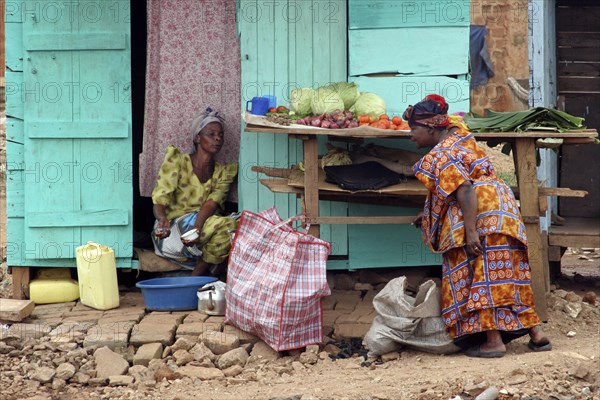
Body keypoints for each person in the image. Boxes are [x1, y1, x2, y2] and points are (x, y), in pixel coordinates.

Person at [405, 94, 552, 358]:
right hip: (503, 209)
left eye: (413, 129)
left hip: (478, 213)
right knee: (508, 272)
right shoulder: (460, 134)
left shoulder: (440, 155)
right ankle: (537, 334)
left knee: (479, 276)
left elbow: (464, 191)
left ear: (430, 127)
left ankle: (493, 341)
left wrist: (471, 231)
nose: (410, 135)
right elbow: (451, 188)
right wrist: (427, 212)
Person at [151, 107, 238, 276]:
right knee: (227, 225)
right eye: (211, 134)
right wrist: (162, 219)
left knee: (238, 226)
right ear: (198, 138)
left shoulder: (224, 172)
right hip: (173, 234)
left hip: (200, 231)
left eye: (220, 134)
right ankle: (202, 276)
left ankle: (194, 277)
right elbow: (160, 198)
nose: (218, 138)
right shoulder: (178, 161)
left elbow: (212, 203)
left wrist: (196, 229)